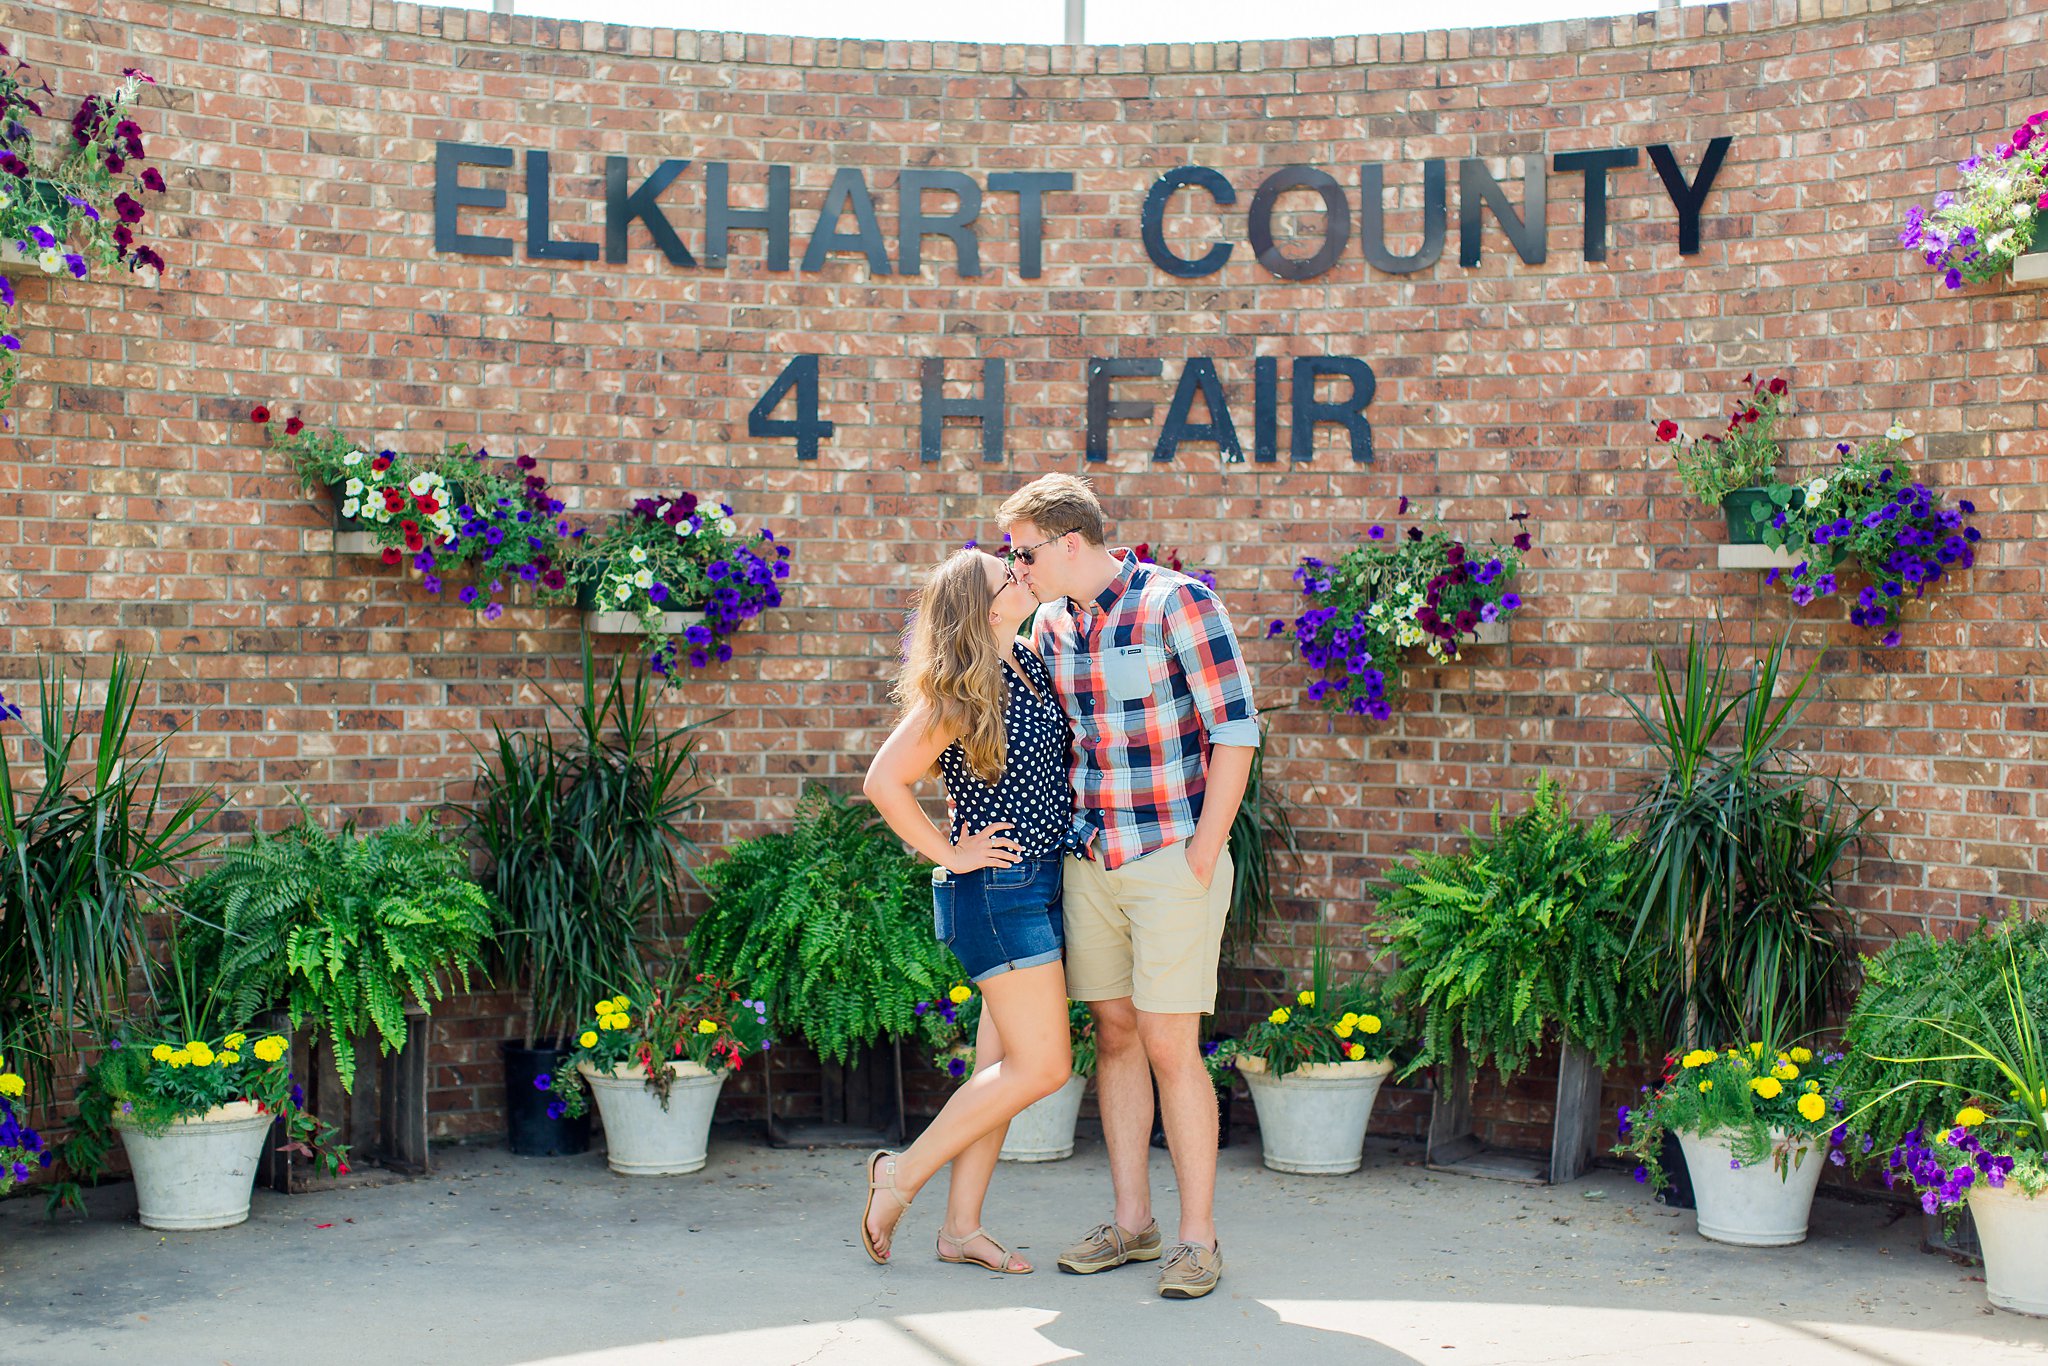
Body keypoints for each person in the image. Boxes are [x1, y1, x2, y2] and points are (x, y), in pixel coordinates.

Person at [997, 473, 1259, 1302]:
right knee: (1114, 1035)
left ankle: (1196, 1238)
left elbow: (1236, 730)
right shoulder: (1047, 622)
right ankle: (1134, 1221)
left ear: (1069, 541)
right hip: (1090, 860)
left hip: (1169, 857)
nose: (1017, 564)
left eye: (1024, 550)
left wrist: (1203, 852)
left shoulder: (1179, 603)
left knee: (1171, 1044)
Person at [858, 547, 1077, 1275]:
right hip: (995, 894)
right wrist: (949, 854)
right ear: (983, 606)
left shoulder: (1029, 663)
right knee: (1044, 1067)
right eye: (1006, 575)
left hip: (1038, 882)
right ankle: (901, 1176)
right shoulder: (960, 691)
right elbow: (884, 781)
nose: (1021, 575)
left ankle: (960, 1228)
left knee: (1000, 1070)